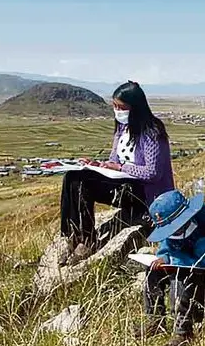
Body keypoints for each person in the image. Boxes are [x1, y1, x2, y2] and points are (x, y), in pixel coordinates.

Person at [59, 80, 175, 264]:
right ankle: (73, 235)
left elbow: (153, 173)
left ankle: (87, 240)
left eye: (121, 107)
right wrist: (98, 165)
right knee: (73, 177)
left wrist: (121, 167)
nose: (117, 111)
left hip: (144, 192)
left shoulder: (152, 131)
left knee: (84, 184)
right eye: (114, 106)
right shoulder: (122, 128)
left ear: (135, 107)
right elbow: (115, 160)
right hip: (124, 182)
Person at [141, 188, 205, 346]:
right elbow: (166, 249)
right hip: (186, 266)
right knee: (153, 271)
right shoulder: (174, 232)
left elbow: (202, 262)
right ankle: (155, 319)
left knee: (184, 278)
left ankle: (183, 332)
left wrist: (172, 261)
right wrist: (164, 258)